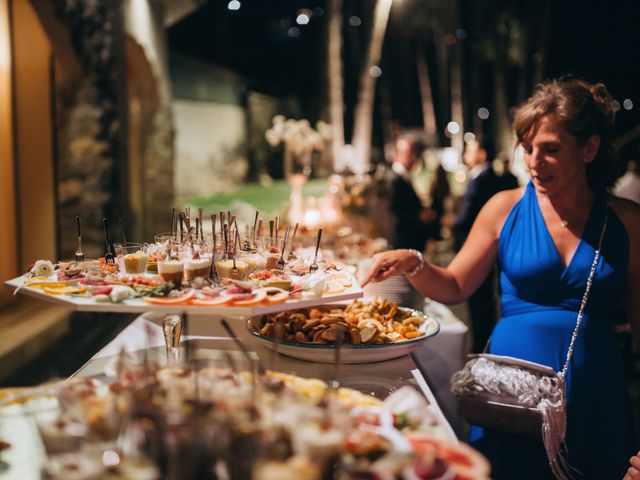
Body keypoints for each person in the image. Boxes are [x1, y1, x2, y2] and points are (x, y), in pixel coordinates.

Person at [363, 78, 639, 479]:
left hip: (594, 390)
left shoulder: (627, 221)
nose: (533, 162)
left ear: (590, 148)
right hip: (511, 396)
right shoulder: (503, 208)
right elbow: (456, 284)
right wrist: (414, 263)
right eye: (527, 148)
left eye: (550, 150)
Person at [452, 137, 517, 352]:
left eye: (470, 150)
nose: (466, 155)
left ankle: (482, 344)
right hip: (483, 246)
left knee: (478, 298)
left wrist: (454, 225)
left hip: (478, 246)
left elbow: (469, 215)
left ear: (482, 153)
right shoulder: (483, 177)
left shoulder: (482, 179)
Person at [389, 134, 434, 251]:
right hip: (404, 241)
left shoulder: (404, 177)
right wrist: (419, 216)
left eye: (415, 153)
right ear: (398, 155)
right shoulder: (396, 179)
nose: (414, 157)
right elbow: (395, 212)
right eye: (410, 153)